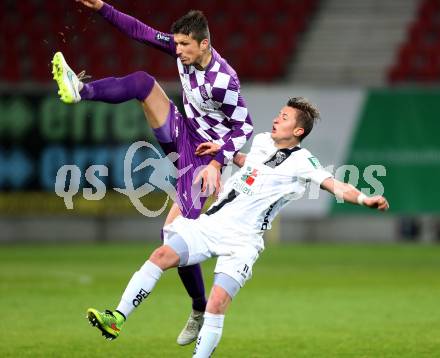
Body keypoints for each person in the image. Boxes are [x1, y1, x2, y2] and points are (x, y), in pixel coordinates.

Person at [86, 97, 389, 356]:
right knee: (160, 256)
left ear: (297, 130)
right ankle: (117, 317)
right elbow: (250, 162)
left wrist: (364, 199)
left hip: (244, 242)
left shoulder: (304, 163)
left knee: (216, 303)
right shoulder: (260, 141)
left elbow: (335, 185)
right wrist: (222, 151)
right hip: (213, 224)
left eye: (283, 118)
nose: (275, 119)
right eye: (278, 114)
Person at [52, 0, 253, 345]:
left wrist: (219, 161)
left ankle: (198, 307)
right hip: (183, 134)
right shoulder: (182, 50)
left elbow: (244, 128)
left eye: (185, 46)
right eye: (175, 44)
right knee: (143, 83)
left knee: (172, 235)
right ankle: (80, 90)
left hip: (203, 161)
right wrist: (102, 7)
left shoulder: (225, 80)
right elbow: (140, 31)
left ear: (204, 44)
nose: (178, 51)